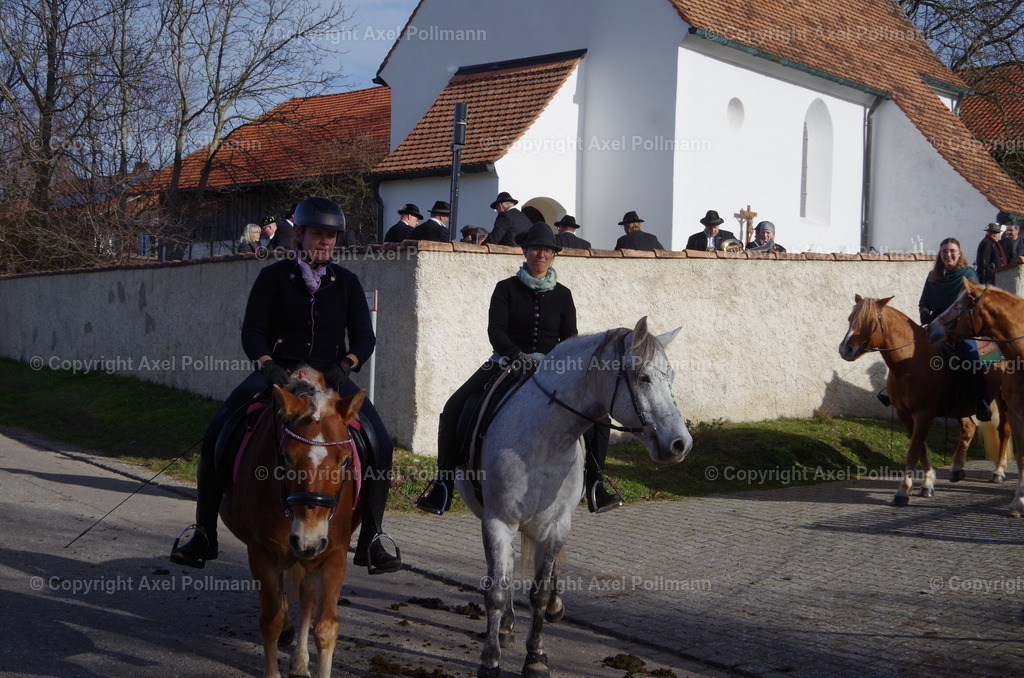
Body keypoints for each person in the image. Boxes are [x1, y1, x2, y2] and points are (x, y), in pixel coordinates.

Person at [170, 196, 402, 574]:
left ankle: (372, 537)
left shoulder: (347, 282)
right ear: (300, 237)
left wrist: (347, 364)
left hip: (331, 380)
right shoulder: (273, 278)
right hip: (278, 378)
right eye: (317, 234)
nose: (324, 242)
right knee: (216, 433)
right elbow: (254, 331)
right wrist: (267, 366)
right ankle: (204, 532)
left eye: (330, 236)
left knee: (380, 441)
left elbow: (364, 337)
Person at [415, 222, 622, 515]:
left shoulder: (563, 294)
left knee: (598, 415)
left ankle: (596, 484)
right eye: (536, 248)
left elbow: (570, 337)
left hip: (551, 368)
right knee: (454, 408)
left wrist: (557, 364)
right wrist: (516, 355)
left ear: (553, 255)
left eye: (548, 250)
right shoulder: (505, 289)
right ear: (525, 251)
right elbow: (496, 330)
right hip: (506, 363)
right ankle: (443, 484)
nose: (542, 254)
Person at [918, 237, 990, 420]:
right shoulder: (933, 276)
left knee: (970, 355)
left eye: (952, 251)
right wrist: (925, 312)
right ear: (940, 254)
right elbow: (924, 301)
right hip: (935, 323)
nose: (948, 255)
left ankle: (982, 401)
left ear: (959, 253)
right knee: (912, 350)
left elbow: (973, 302)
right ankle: (898, 392)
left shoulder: (968, 274)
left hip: (959, 324)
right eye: (944, 251)